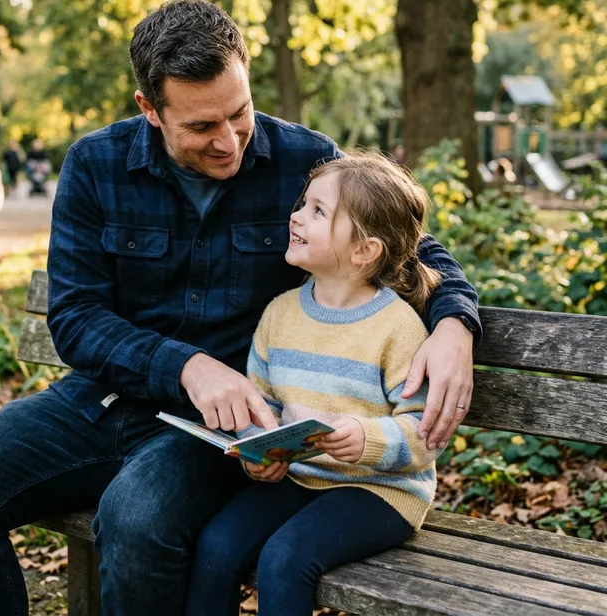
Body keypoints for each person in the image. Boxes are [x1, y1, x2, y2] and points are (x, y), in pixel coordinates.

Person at [0, 0, 481, 616]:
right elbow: (75, 316)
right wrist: (186, 364)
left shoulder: (300, 158)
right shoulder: (96, 166)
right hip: (100, 402)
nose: (229, 140)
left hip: (223, 429)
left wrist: (455, 321)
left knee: (135, 518)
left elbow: (408, 244)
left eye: (239, 113)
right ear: (149, 109)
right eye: (202, 127)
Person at [185, 152, 442, 616]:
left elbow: (424, 433)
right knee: (217, 544)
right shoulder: (280, 314)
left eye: (317, 212)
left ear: (364, 250)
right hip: (299, 477)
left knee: (284, 559)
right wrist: (257, 453)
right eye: (303, 204)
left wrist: (365, 438)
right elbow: (260, 405)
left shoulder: (398, 328)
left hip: (380, 491)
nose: (296, 216)